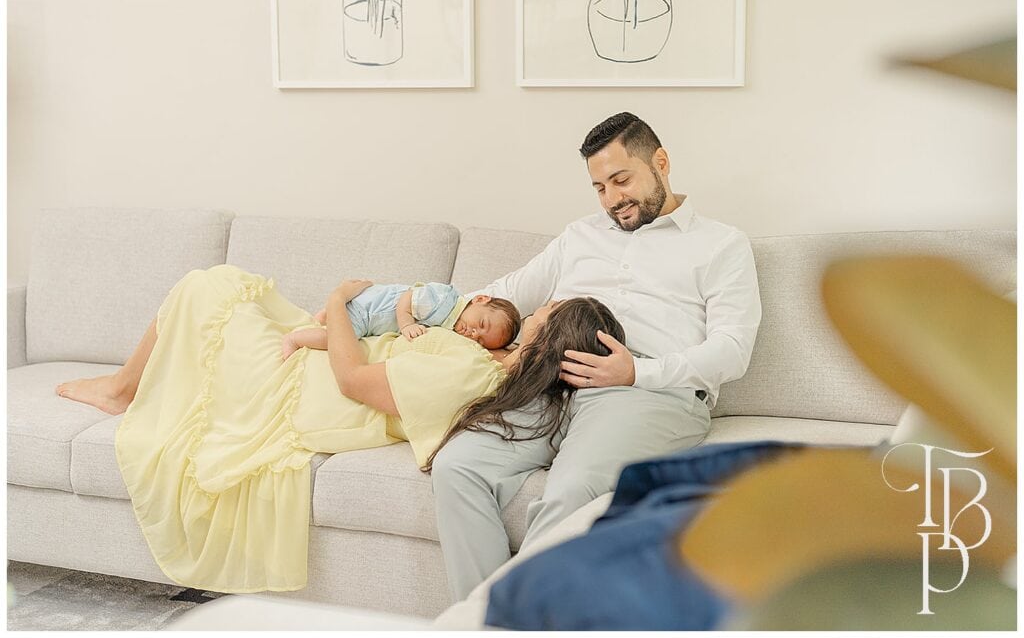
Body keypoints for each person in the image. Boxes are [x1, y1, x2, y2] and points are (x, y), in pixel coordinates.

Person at [53, 264, 623, 594]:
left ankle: (123, 389)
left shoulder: (472, 369)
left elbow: (352, 380)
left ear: (542, 340)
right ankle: (126, 386)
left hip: (305, 389)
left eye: (546, 310)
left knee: (207, 288)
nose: (537, 306)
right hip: (316, 366)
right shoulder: (486, 362)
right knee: (214, 288)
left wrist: (335, 299)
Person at [430, 111, 762, 601]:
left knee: (573, 489)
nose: (612, 200)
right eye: (600, 187)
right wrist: (413, 312)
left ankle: (517, 618)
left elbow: (733, 351)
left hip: (646, 393)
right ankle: (485, 621)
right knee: (457, 467)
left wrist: (635, 372)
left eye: (621, 180)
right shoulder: (578, 237)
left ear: (662, 162)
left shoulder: (721, 245)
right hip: (548, 384)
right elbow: (500, 295)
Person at [281, 282, 521, 360]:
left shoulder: (451, 325)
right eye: (482, 325)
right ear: (479, 299)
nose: (473, 333)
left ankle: (326, 315)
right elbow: (408, 297)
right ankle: (295, 339)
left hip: (371, 311)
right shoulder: (447, 301)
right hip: (371, 310)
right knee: (340, 340)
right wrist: (406, 323)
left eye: (481, 339)